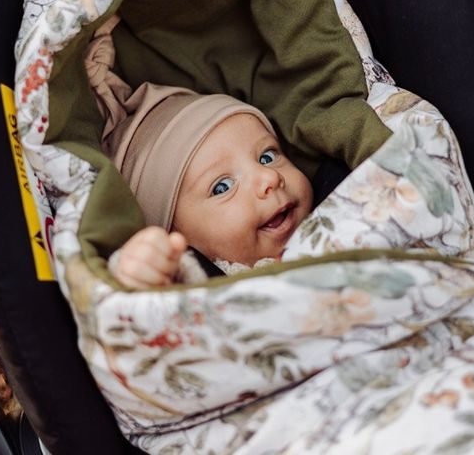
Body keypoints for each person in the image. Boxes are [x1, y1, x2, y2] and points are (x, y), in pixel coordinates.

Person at [85, 22, 313, 289]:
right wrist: (144, 269)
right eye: (222, 186)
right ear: (172, 236)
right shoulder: (188, 278)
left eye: (267, 156)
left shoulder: (335, 209)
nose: (269, 177)